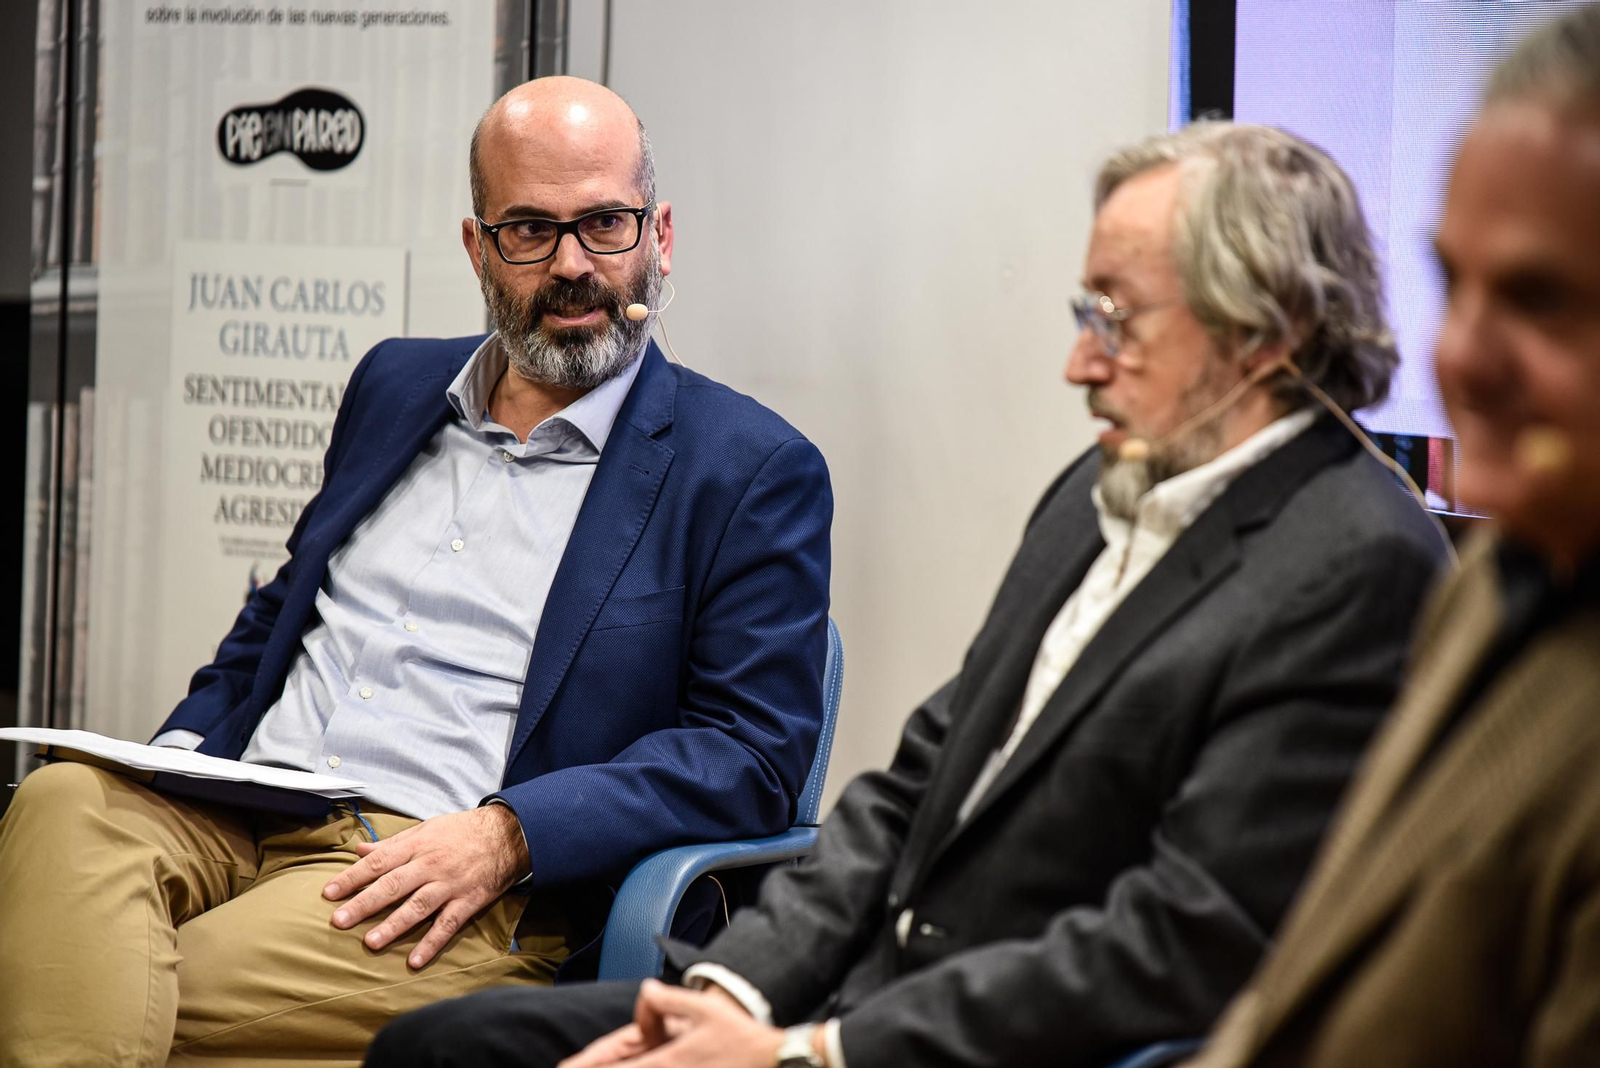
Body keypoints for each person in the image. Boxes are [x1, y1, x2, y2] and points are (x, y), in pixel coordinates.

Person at [365, 122, 1450, 1068]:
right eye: (1086, 310)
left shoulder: (1354, 562)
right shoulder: (1103, 486)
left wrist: (810, 1053)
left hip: (977, 1041)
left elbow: (1182, 940)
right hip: (850, 994)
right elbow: (915, 784)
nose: (1078, 363)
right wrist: (729, 994)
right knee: (445, 1048)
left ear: (1260, 334)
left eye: (1118, 318)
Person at [0, 76, 833, 1068]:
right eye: (529, 230)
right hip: (242, 800)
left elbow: (751, 752)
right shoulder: (395, 383)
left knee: (113, 983)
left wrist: (511, 834)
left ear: (659, 234)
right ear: (478, 249)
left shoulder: (745, 468)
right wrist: (176, 756)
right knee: (62, 803)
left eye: (604, 224)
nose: (573, 265)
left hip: (435, 864)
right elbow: (283, 614)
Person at [1180, 8, 1600, 1066]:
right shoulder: (1499, 578)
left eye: (1540, 300)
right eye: (1452, 284)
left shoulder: (1364, 554)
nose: (1458, 357)